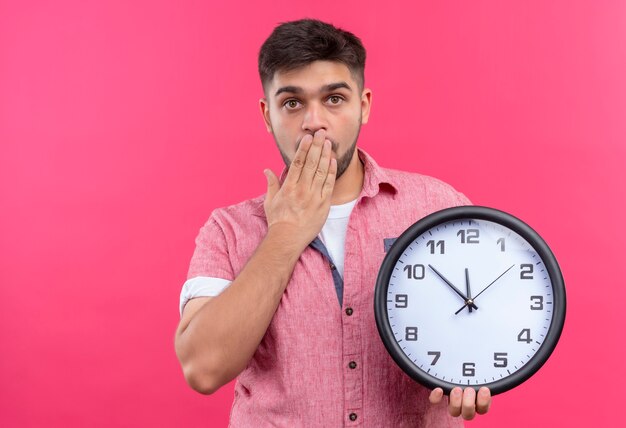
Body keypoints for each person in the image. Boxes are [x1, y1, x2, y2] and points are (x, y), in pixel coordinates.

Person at [175, 18, 492, 426]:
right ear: (267, 115)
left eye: (334, 99)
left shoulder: (437, 206)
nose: (313, 121)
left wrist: (475, 369)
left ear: (364, 105)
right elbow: (203, 368)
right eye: (292, 103)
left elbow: (488, 314)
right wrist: (285, 235)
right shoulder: (228, 230)